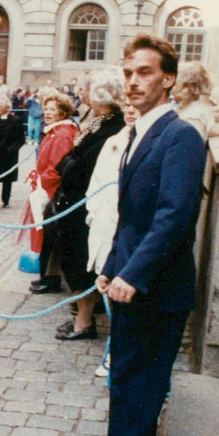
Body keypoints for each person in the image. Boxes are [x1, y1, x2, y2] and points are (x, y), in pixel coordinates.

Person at [74, 35, 207, 436]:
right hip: (130, 278)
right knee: (125, 379)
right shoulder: (140, 131)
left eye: (144, 72)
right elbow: (130, 217)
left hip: (157, 288)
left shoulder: (182, 136)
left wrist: (135, 274)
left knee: (140, 382)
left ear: (168, 78)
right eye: (128, 72)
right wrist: (110, 269)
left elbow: (174, 217)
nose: (133, 81)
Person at [51, 68, 127, 340]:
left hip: (84, 209)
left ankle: (84, 323)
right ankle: (80, 319)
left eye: (88, 89)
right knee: (75, 264)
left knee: (82, 265)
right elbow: (66, 161)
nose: (83, 94)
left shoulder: (112, 127)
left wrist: (71, 162)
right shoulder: (98, 122)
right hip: (75, 206)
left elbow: (76, 167)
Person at [85, 98, 140, 378]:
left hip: (129, 233)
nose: (131, 110)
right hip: (106, 227)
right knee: (108, 288)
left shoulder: (151, 142)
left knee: (125, 298)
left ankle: (118, 354)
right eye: (127, 105)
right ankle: (116, 350)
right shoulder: (113, 142)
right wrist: (93, 214)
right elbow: (96, 183)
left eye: (136, 105)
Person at [22, 91, 79, 293]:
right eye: (46, 109)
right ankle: (49, 276)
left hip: (53, 190)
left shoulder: (63, 133)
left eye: (52, 109)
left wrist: (41, 180)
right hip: (48, 187)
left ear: (62, 112)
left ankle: (51, 278)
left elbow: (58, 165)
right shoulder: (56, 131)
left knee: (51, 235)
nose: (47, 112)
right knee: (48, 235)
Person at [0, 95, 26, 213]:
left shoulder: (16, 121)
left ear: (7, 108)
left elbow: (20, 139)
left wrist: (12, 150)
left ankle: (5, 200)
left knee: (7, 179)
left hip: (9, 155)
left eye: (0, 106)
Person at [175, 61, 215, 142]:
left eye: (183, 86)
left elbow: (189, 149)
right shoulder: (192, 108)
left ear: (194, 88)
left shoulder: (194, 117)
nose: (178, 90)